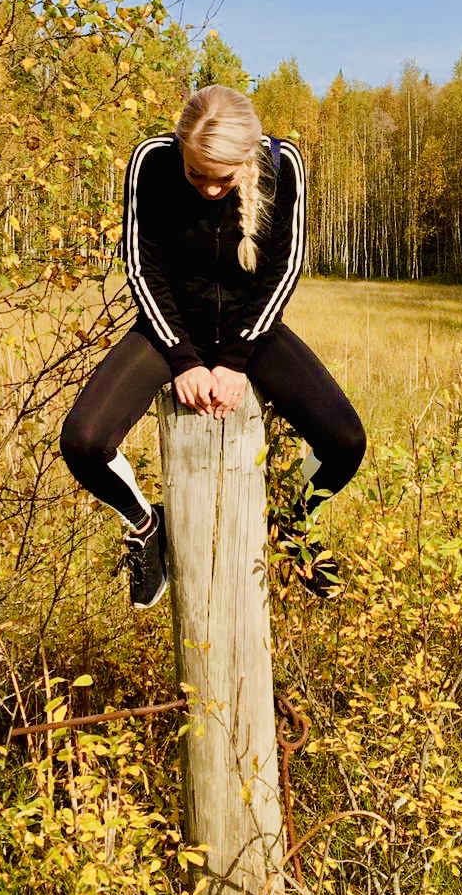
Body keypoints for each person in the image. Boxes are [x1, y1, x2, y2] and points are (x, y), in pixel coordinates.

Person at [60, 84, 366, 608]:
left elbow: (283, 268)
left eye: (221, 179)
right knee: (82, 443)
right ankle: (145, 524)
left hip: (254, 332)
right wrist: (181, 357)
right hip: (170, 331)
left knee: (345, 442)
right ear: (180, 148)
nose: (207, 189)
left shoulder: (282, 163)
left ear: (246, 160)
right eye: (195, 174)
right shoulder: (152, 161)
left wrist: (235, 360)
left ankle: (289, 529)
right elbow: (142, 265)